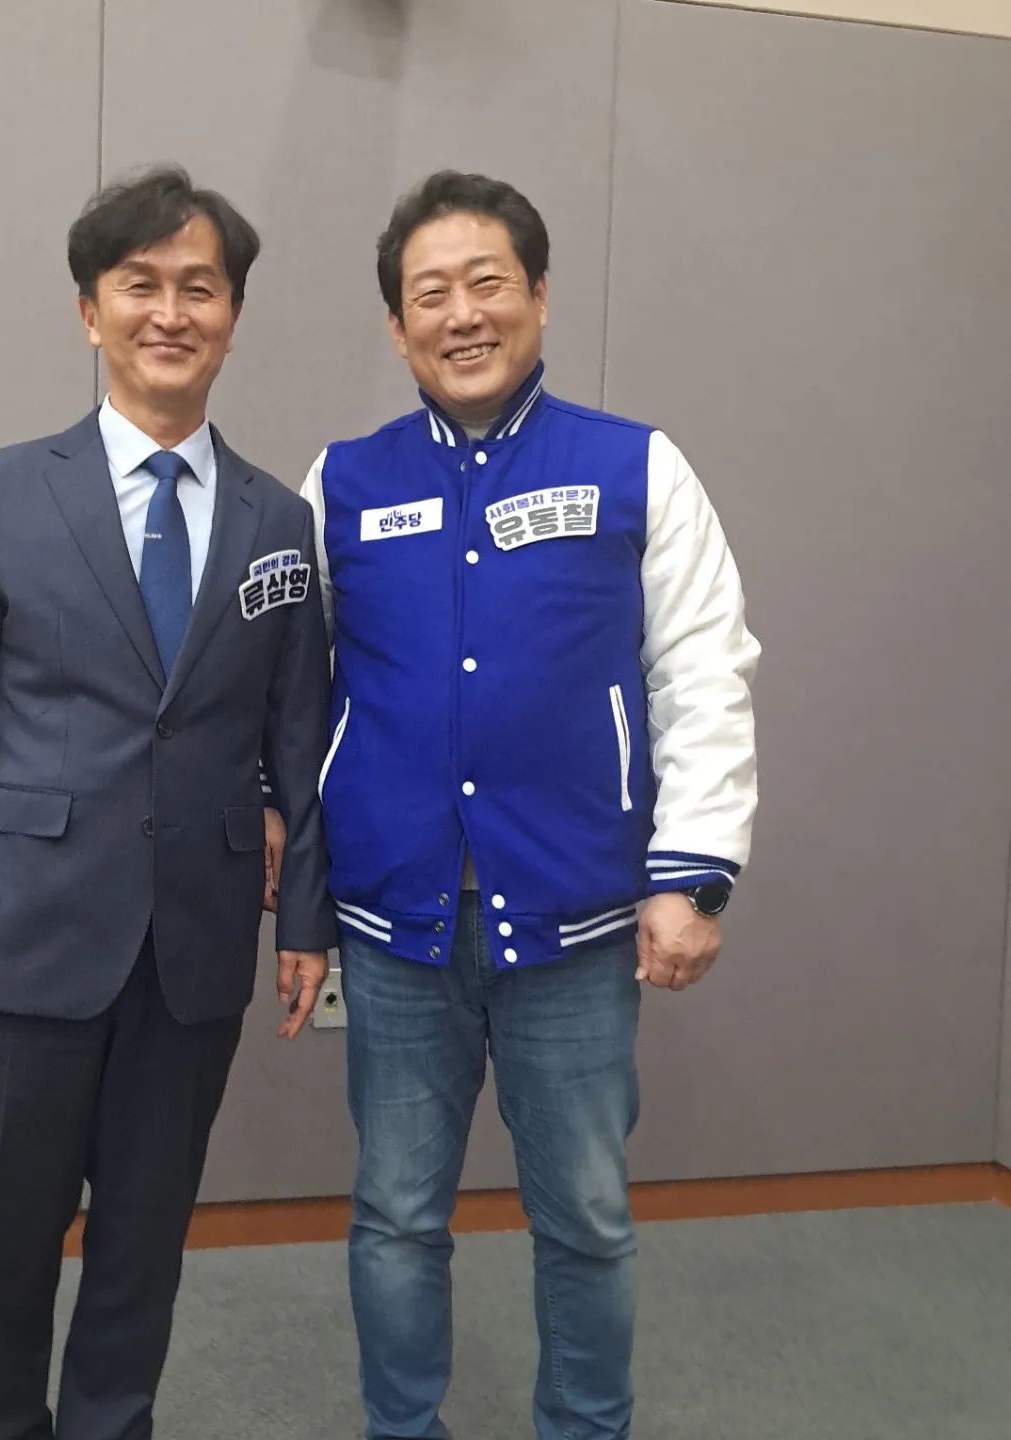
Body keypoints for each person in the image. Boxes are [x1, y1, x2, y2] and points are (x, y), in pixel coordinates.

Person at [301, 171, 760, 1440]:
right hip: (397, 928)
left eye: (487, 283)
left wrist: (693, 873)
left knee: (588, 1219)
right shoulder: (342, 483)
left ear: (541, 296)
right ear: (396, 326)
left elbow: (704, 669)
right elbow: (291, 697)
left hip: (578, 923)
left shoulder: (633, 467)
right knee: (396, 1216)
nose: (461, 315)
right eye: (429, 295)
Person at [0, 165, 335, 1440]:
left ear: (233, 317)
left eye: (201, 288)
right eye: (140, 285)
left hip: (194, 947)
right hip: (30, 928)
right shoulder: (3, 489)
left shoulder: (276, 521)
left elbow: (297, 740)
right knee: (9, 1245)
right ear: (90, 312)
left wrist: (305, 920)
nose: (171, 312)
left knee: (144, 1247)